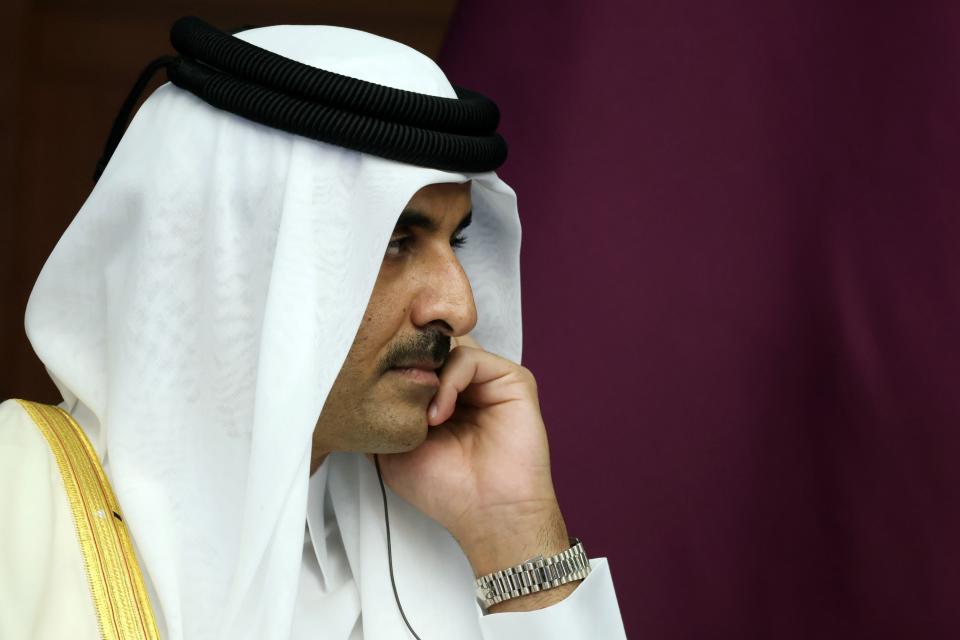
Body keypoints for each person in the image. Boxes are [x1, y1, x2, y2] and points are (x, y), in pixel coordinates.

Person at [0, 17, 627, 640]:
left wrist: (518, 541)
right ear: (232, 256)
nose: (458, 308)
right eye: (395, 241)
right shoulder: (19, 506)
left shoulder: (453, 545)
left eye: (455, 239)